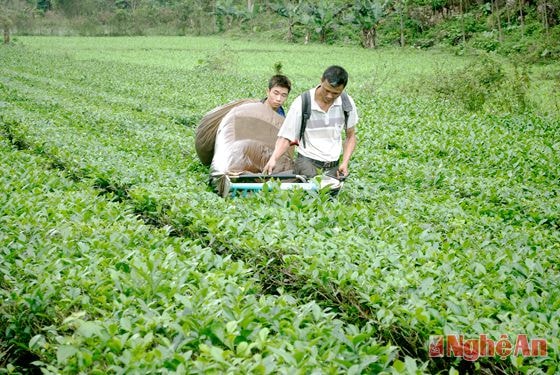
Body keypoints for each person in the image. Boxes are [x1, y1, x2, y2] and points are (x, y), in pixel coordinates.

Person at [263, 65, 358, 179]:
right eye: (326, 90)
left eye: (335, 93)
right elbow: (286, 136)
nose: (329, 96)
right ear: (321, 81)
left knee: (329, 196)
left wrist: (345, 162)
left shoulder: (346, 103)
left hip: (333, 165)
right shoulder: (303, 102)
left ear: (342, 89)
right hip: (307, 163)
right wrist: (274, 158)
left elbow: (350, 136)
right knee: (310, 194)